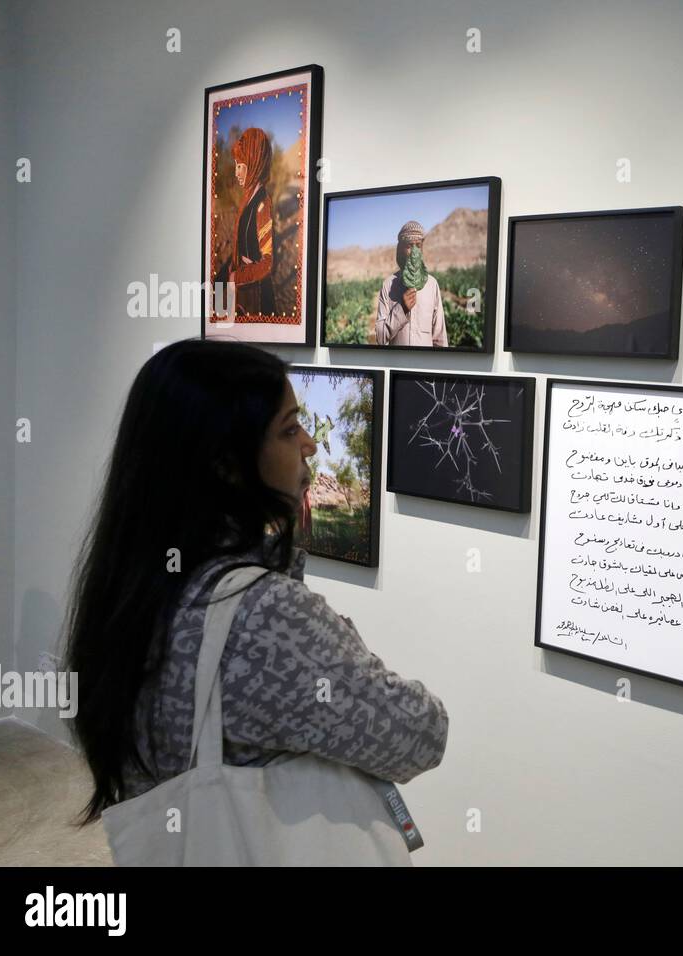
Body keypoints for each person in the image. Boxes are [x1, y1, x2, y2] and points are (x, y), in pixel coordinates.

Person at [62, 340, 448, 827]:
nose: (309, 443)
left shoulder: (135, 585)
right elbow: (420, 735)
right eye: (289, 429)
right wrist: (330, 632)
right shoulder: (263, 615)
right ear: (226, 464)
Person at [215, 127, 277, 316]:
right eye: (235, 165)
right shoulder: (247, 200)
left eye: (240, 166)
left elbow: (267, 263)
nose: (236, 173)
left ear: (254, 163)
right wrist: (219, 282)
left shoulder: (262, 203)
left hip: (256, 299)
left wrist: (236, 277)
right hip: (244, 295)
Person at [373, 220, 448, 346]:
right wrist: (401, 308)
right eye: (408, 246)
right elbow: (380, 338)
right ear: (400, 249)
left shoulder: (432, 285)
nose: (414, 252)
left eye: (418, 246)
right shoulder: (388, 285)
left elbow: (440, 338)